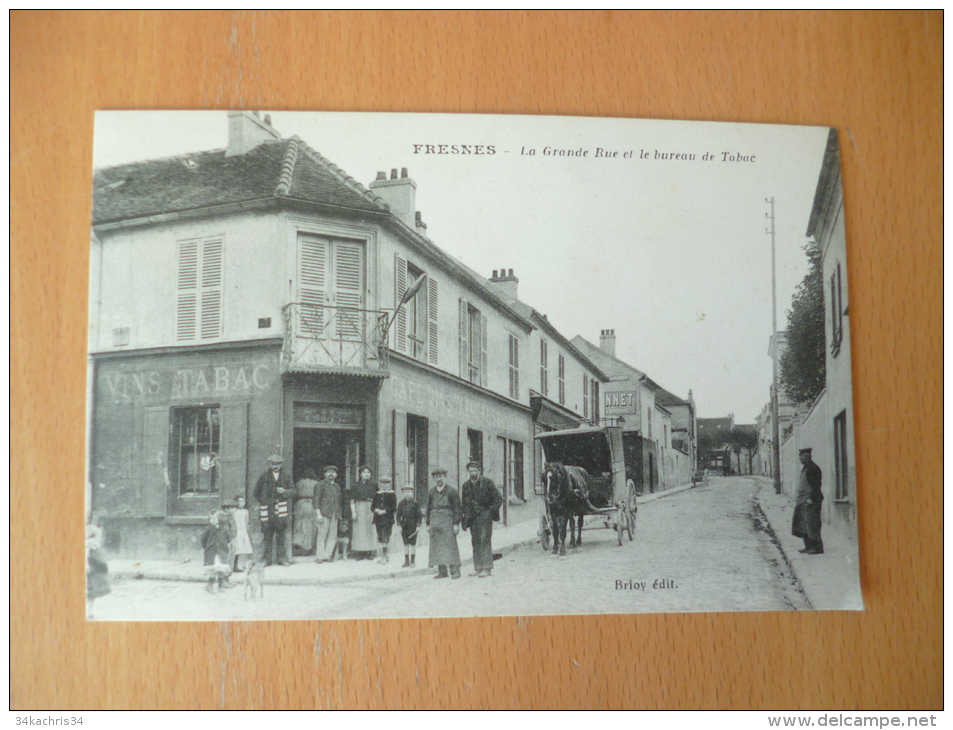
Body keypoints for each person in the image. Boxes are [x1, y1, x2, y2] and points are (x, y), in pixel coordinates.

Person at [461, 461, 503, 578]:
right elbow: (464, 503)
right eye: (471, 471)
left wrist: (489, 512)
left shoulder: (487, 483)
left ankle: (487, 568)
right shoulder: (466, 485)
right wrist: (464, 517)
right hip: (472, 518)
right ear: (468, 472)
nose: (473, 473)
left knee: (484, 540)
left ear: (479, 471)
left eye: (475, 471)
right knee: (475, 542)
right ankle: (478, 568)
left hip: (484, 517)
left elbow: (499, 498)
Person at [253, 453, 296, 566]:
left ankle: (281, 559)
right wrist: (264, 501)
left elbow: (293, 491)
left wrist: (285, 492)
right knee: (267, 535)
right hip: (268, 509)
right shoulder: (264, 476)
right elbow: (256, 492)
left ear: (281, 464)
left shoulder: (287, 475)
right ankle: (267, 560)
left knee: (281, 535)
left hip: (281, 509)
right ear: (270, 464)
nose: (274, 466)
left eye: (277, 464)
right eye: (272, 464)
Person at [426, 467, 462, 579]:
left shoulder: (452, 491)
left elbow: (457, 508)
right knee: (436, 545)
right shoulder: (431, 492)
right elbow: (428, 508)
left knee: (450, 545)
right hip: (434, 521)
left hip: (448, 521)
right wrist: (428, 524)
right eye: (436, 477)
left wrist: (456, 523)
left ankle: (455, 571)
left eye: (441, 476)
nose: (439, 479)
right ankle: (442, 571)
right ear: (433, 479)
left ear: (445, 477)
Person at [792, 447, 824, 555]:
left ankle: (817, 548)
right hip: (803, 500)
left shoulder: (813, 468)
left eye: (801, 457)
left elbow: (816, 486)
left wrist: (812, 499)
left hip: (811, 501)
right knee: (803, 525)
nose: (800, 459)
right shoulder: (806, 467)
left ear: (807, 456)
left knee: (812, 524)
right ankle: (808, 546)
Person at [201, 510, 235, 593]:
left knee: (221, 568)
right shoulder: (208, 529)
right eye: (210, 518)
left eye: (214, 518)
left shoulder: (225, 528)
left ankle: (221, 585)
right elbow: (203, 540)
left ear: (220, 518)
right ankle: (209, 585)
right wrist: (208, 547)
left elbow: (228, 539)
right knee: (213, 569)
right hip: (212, 552)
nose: (212, 520)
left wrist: (225, 546)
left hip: (222, 552)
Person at [313, 465, 342, 563]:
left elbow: (339, 501)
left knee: (332, 536)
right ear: (325, 474)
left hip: (335, 513)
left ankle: (328, 555)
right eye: (329, 472)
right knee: (322, 535)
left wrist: (339, 513)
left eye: (333, 472)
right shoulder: (320, 484)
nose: (331, 474)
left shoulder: (337, 486)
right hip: (324, 513)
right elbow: (316, 500)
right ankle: (320, 556)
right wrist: (318, 513)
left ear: (336, 475)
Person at [350, 466, 378, 560]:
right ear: (361, 474)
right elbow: (352, 500)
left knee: (370, 530)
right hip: (359, 507)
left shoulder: (374, 485)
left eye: (368, 472)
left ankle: (370, 551)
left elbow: (377, 499)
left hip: (370, 508)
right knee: (359, 530)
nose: (366, 474)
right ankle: (360, 552)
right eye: (364, 472)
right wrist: (353, 512)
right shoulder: (355, 485)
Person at [86, 513, 111, 618]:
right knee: (89, 590)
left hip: (94, 567)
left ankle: (89, 612)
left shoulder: (95, 534)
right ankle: (88, 612)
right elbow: (86, 552)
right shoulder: (90, 541)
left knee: (91, 591)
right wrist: (86, 564)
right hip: (90, 567)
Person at [292, 467, 319, 556]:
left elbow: (294, 494)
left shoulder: (299, 483)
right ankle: (309, 546)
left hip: (300, 504)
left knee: (299, 525)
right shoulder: (316, 483)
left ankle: (299, 543)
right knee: (311, 526)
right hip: (312, 504)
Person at [371, 476, 397, 564]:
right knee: (380, 537)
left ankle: (384, 556)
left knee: (386, 536)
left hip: (387, 519)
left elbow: (394, 507)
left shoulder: (392, 494)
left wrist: (385, 511)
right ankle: (383, 555)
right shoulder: (377, 494)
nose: (384, 485)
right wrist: (376, 510)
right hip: (378, 518)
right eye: (382, 483)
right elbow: (372, 506)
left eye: (386, 483)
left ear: (389, 484)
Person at [396, 485, 423, 568]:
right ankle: (406, 561)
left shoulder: (415, 503)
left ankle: (412, 561)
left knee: (412, 544)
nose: (407, 494)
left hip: (413, 525)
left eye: (408, 492)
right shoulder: (401, 503)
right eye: (405, 492)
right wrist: (399, 525)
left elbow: (419, 515)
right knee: (406, 544)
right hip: (404, 525)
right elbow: (398, 515)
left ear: (412, 492)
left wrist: (418, 526)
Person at [231, 495, 254, 572]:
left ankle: (245, 565)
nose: (241, 503)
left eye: (243, 501)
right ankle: (234, 565)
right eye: (239, 501)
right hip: (236, 531)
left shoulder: (245, 511)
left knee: (244, 548)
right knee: (236, 549)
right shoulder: (234, 511)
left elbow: (246, 521)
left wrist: (244, 529)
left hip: (243, 531)